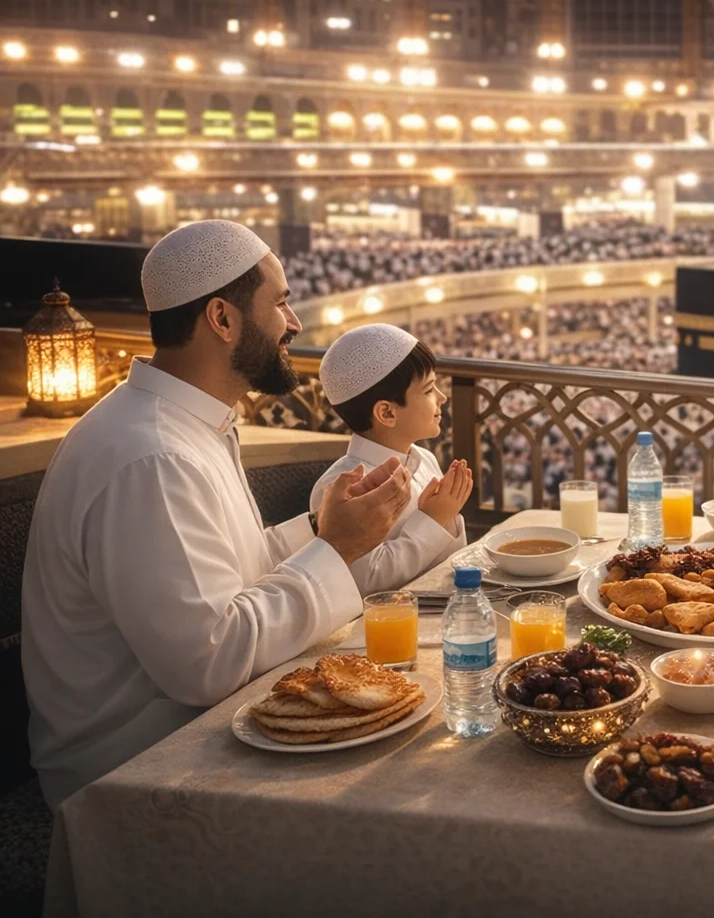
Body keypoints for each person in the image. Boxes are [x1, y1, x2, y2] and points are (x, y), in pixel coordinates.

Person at [22, 220, 411, 809]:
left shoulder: (181, 425)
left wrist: (322, 528)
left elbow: (231, 571)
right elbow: (208, 661)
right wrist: (338, 551)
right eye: (280, 304)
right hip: (130, 769)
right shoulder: (149, 455)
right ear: (222, 319)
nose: (295, 324)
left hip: (184, 732)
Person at [310, 324, 471, 593]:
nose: (442, 398)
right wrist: (433, 520)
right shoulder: (343, 488)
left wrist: (447, 515)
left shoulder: (424, 459)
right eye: (430, 389)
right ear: (386, 413)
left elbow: (450, 563)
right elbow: (367, 585)